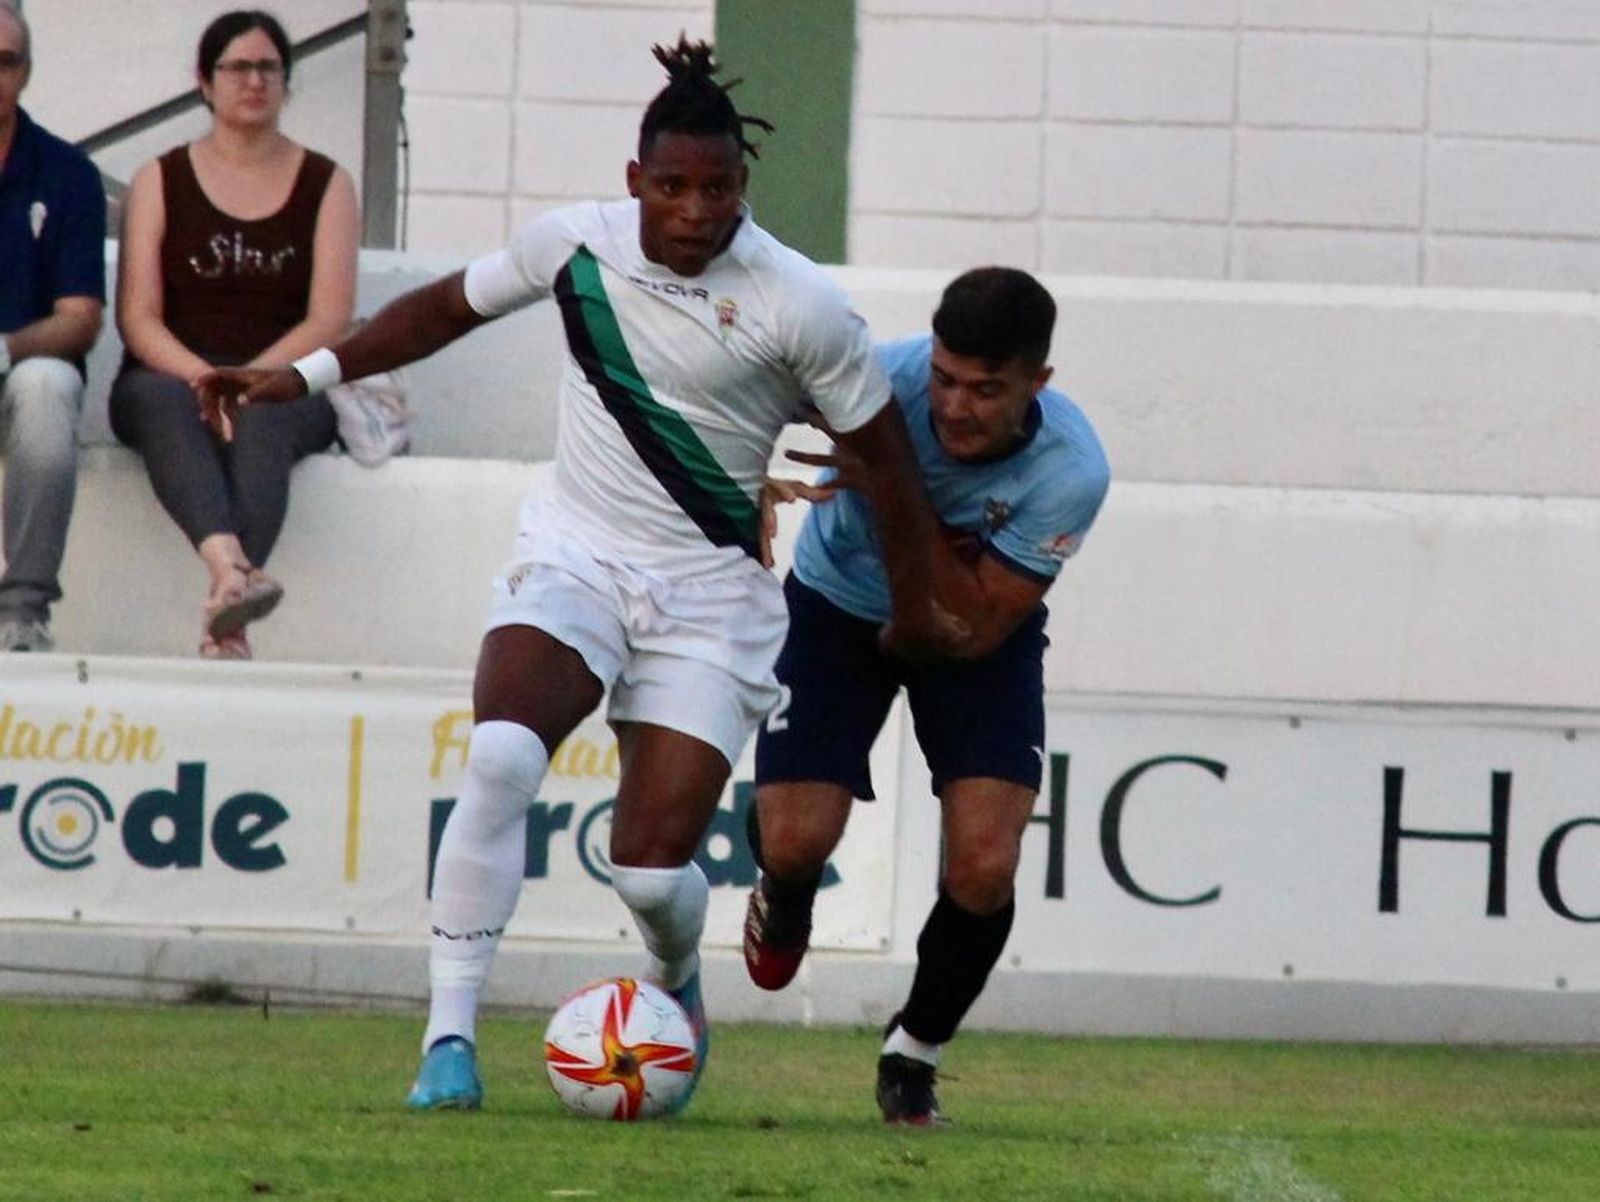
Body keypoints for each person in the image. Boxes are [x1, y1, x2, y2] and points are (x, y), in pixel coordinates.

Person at [196, 36, 954, 1114]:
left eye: (721, 190)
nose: (697, 210)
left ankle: (674, 975)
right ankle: (447, 1040)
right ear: (634, 179)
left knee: (645, 871)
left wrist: (919, 603)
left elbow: (882, 455)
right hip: (577, 554)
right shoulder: (575, 248)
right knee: (502, 753)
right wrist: (302, 372)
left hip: (708, 597)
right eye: (675, 188)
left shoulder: (801, 303)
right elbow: (446, 307)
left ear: (746, 188)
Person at [744, 267, 1111, 1126]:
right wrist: (740, 486)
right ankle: (785, 890)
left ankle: (914, 1053)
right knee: (796, 840)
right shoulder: (879, 380)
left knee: (985, 864)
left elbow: (975, 629)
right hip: (834, 607)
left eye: (987, 391)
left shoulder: (1072, 471)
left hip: (977, 631)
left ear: (1038, 386)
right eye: (945, 379)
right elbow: (748, 388)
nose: (953, 406)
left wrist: (893, 488)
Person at [112, 8, 358, 659]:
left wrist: (249, 381)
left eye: (269, 67)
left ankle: (230, 608)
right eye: (238, 67)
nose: (255, 80)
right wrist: (202, 379)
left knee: (266, 414)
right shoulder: (159, 178)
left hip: (285, 376)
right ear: (205, 80)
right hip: (169, 374)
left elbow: (330, 318)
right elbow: (137, 315)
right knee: (163, 402)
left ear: (287, 80)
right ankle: (232, 573)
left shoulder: (326, 183)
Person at [0, 1, 105, 652]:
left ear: (27, 72)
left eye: (5, 61)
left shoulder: (65, 174)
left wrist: (4, 349)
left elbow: (80, 320)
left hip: (16, 377)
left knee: (47, 384)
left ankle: (22, 613)